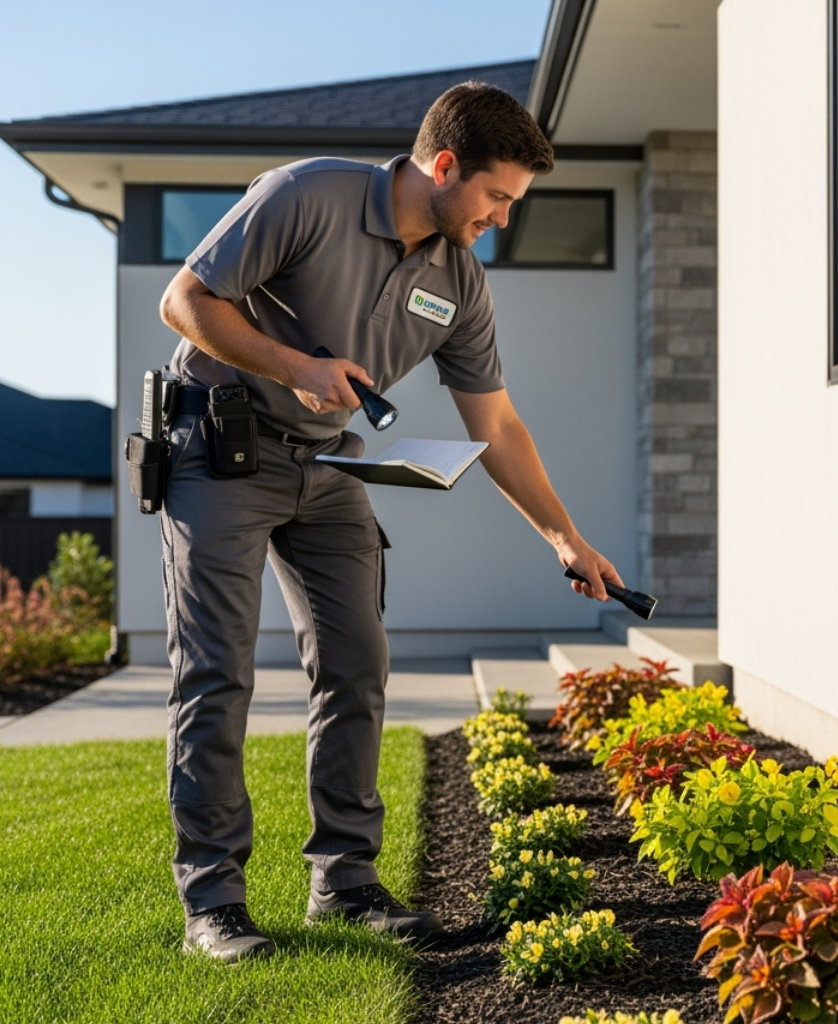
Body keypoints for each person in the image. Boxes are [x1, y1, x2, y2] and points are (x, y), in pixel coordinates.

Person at [155, 81, 623, 962]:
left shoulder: (459, 280)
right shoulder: (305, 195)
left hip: (325, 466)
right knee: (217, 672)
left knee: (356, 659)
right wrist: (294, 364)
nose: (502, 219)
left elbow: (499, 426)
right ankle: (212, 905)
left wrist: (566, 538)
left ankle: (345, 882)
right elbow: (183, 303)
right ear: (445, 167)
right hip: (218, 446)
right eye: (495, 198)